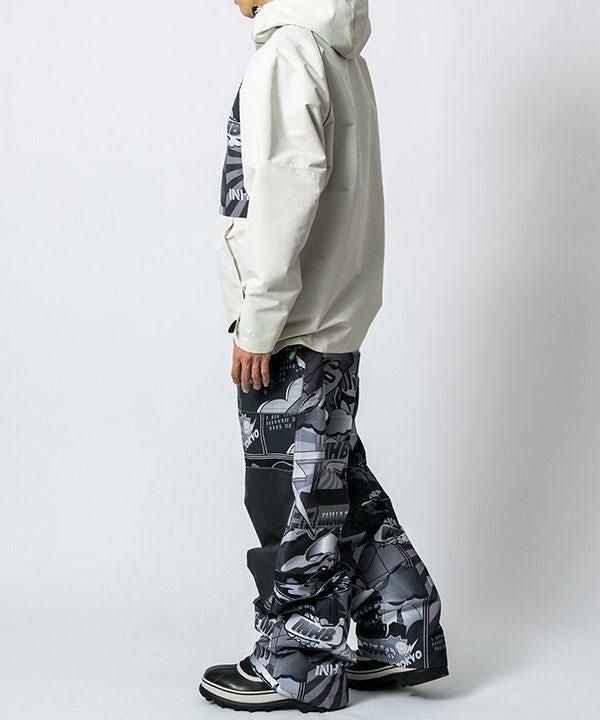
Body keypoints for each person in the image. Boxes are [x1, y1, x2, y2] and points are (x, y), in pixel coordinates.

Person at [199, 0, 448, 712]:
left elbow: (282, 199)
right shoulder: (339, 54)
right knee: (336, 479)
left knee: (289, 494)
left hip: (294, 323)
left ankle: (298, 663)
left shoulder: (288, 54)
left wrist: (259, 321)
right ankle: (400, 629)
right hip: (333, 316)